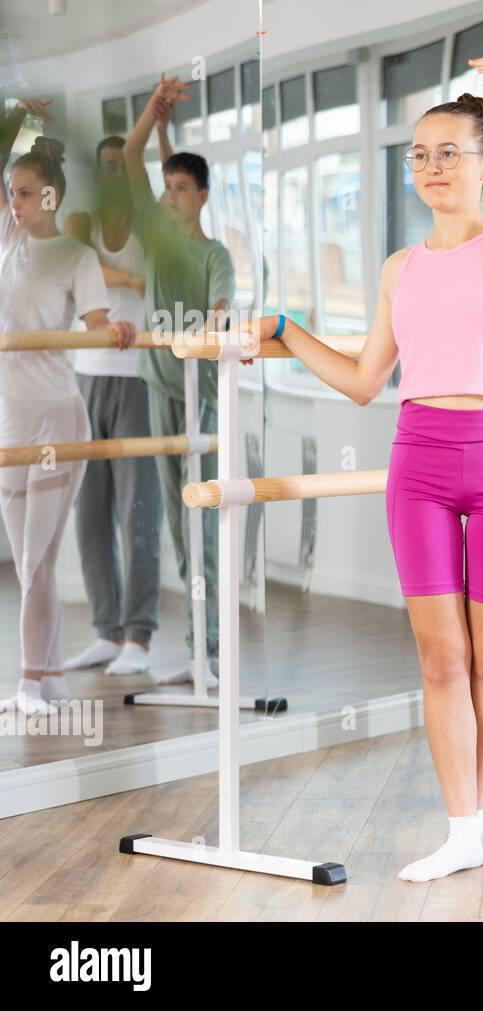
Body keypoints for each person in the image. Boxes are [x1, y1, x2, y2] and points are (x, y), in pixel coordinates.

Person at [238, 54, 483, 879]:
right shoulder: (399, 269)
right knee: (441, 658)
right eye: (421, 154)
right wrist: (289, 330)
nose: (433, 168)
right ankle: (460, 824)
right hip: (422, 465)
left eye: (451, 153)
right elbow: (367, 381)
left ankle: (475, 825)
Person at [0, 101, 135, 715]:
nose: (15, 204)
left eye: (26, 194)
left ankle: (30, 683)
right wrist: (20, 119)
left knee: (35, 559)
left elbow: (99, 323)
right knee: (36, 565)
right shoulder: (7, 243)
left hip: (58, 416)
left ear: (50, 197)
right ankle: (47, 680)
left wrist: (118, 332)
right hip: (10, 419)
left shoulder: (77, 259)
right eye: (11, 193)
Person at [122, 75, 234, 687]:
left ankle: (210, 650)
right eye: (167, 189)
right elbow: (135, 172)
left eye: (181, 190)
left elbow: (221, 306)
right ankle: (196, 651)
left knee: (202, 529)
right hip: (160, 393)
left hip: (204, 402)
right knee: (175, 523)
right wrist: (154, 115)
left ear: (203, 197)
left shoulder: (215, 254)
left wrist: (210, 328)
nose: (168, 197)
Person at [62, 137, 164, 676]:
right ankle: (106, 630)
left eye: (118, 167)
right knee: (89, 512)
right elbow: (81, 266)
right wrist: (123, 279)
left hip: (137, 381)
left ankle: (138, 635)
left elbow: (147, 280)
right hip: (88, 377)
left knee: (137, 509)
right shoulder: (81, 222)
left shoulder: (151, 228)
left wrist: (109, 274)